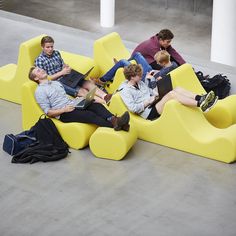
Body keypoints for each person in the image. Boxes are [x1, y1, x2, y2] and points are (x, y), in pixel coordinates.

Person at [28, 66, 130, 131]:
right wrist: (64, 109)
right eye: (38, 70)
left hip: (72, 104)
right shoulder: (40, 91)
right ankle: (116, 126)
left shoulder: (56, 83)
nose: (41, 70)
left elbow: (65, 97)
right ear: (36, 78)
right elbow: (48, 112)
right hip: (63, 114)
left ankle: (114, 120)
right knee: (90, 115)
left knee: (95, 104)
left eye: (40, 68)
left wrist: (76, 101)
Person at [119, 64, 218, 120]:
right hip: (148, 112)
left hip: (154, 103)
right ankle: (200, 104)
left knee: (177, 89)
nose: (141, 76)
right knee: (172, 94)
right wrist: (148, 101)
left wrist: (157, 90)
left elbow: (150, 92)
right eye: (139, 75)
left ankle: (201, 98)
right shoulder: (126, 91)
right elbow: (133, 108)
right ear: (132, 77)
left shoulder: (140, 83)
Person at [34, 36, 112, 104]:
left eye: (52, 46)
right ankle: (105, 102)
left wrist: (66, 67)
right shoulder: (40, 60)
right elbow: (46, 79)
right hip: (56, 83)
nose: (50, 49)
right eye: (48, 47)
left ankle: (105, 96)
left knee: (87, 83)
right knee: (82, 91)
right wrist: (61, 73)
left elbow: (62, 64)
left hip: (66, 76)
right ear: (42, 47)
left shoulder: (56, 53)